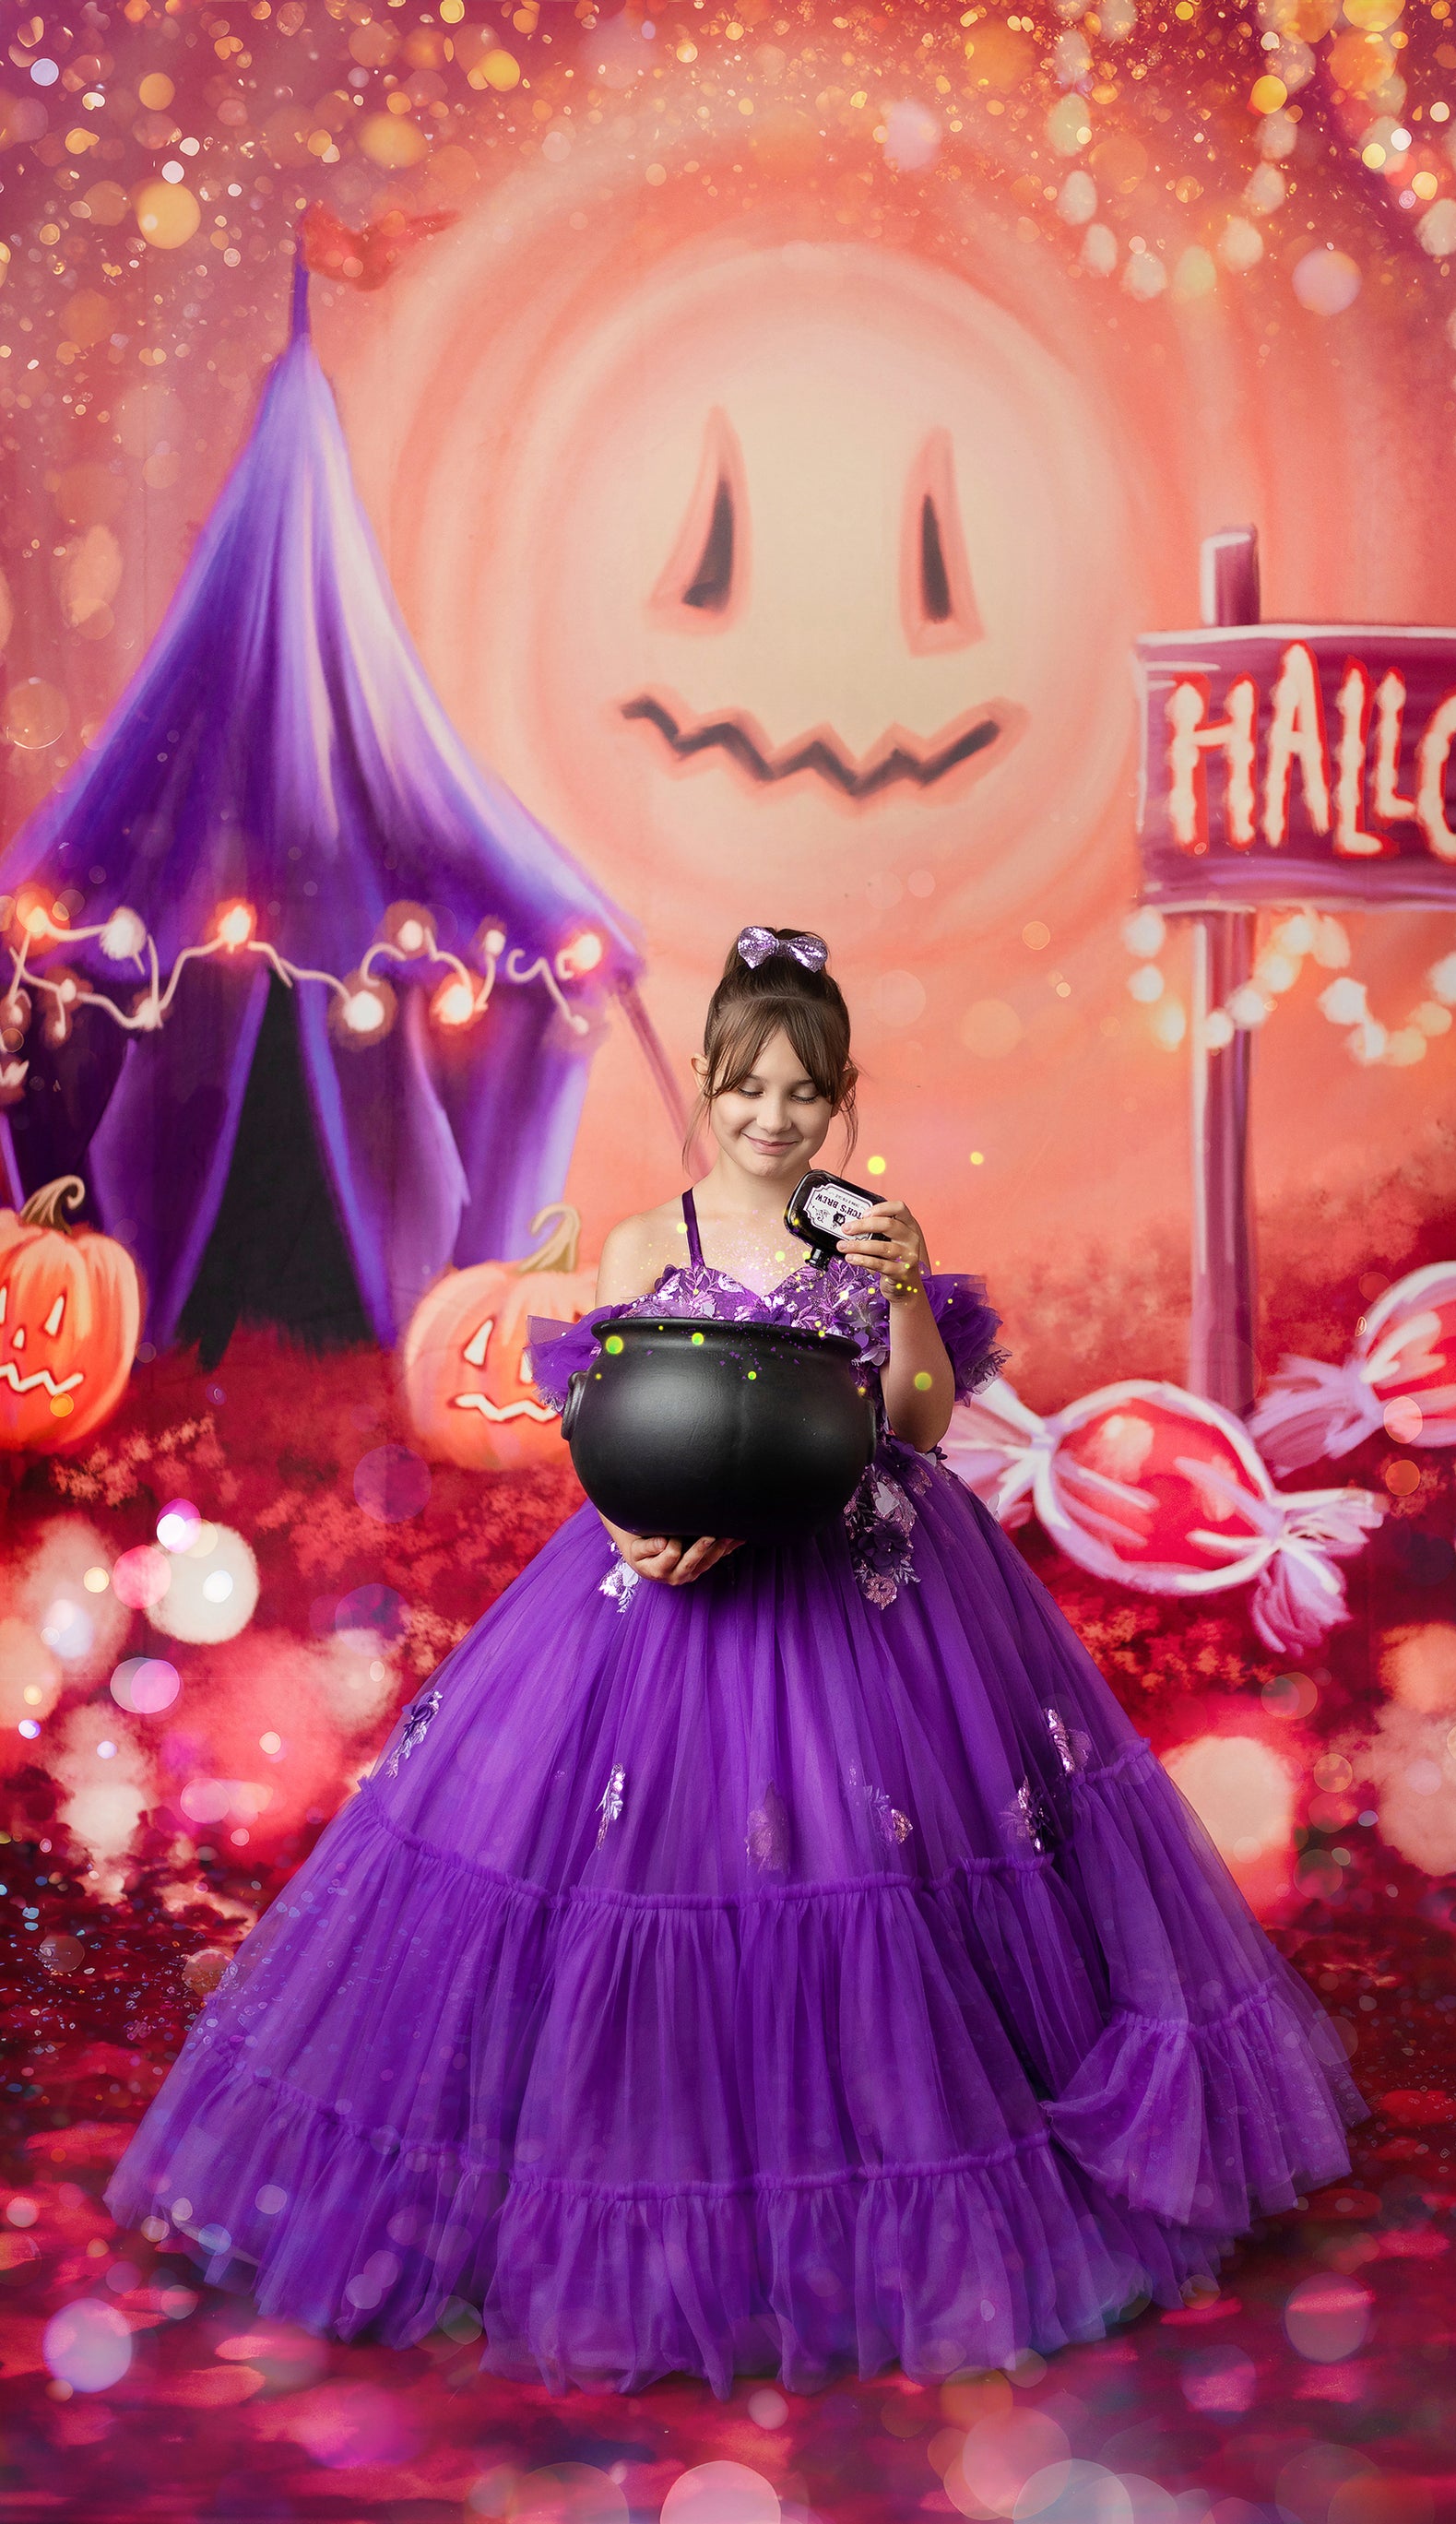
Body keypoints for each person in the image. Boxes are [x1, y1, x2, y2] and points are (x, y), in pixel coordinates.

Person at [108, 925, 1363, 2398]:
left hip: (862, 1591)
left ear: (840, 1099)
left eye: (805, 1092)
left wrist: (905, 1287)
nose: (775, 1116)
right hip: (670, 1598)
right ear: (706, 1083)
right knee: (652, 1875)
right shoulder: (650, 1240)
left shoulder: (867, 1237)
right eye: (748, 1086)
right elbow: (609, 1426)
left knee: (867, 1869)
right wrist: (634, 1528)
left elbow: (916, 1425)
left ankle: (871, 2189)